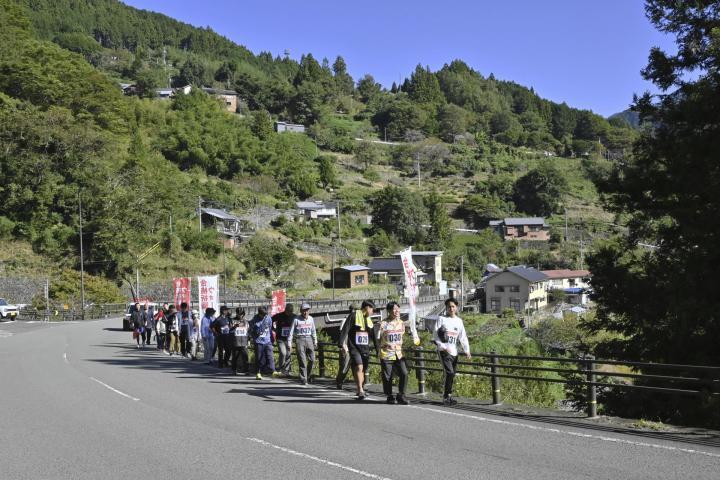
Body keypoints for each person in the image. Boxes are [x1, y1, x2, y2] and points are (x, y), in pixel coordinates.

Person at [433, 298, 471, 406]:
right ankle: (445, 397)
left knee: (452, 374)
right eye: (449, 306)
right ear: (446, 308)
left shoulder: (459, 321)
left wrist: (467, 350)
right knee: (449, 373)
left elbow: (463, 337)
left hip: (454, 352)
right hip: (444, 351)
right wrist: (443, 347)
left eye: (453, 306)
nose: (451, 308)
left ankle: (448, 396)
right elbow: (435, 337)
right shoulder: (441, 319)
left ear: (456, 307)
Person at [377, 301, 415, 405]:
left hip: (399, 353)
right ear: (389, 311)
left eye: (398, 309)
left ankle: (401, 395)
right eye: (394, 309)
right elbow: (377, 339)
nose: (396, 311)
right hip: (386, 353)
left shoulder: (401, 323)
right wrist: (380, 350)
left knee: (404, 373)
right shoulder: (383, 324)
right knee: (387, 376)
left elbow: (402, 336)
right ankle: (389, 396)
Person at [339, 300, 378, 400]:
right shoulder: (353, 316)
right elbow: (345, 329)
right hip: (354, 347)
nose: (373, 312)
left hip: (365, 348)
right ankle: (360, 390)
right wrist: (341, 344)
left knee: (362, 369)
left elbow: (374, 336)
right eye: (372, 309)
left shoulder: (369, 320)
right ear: (367, 307)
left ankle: (359, 388)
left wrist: (378, 350)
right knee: (359, 367)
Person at [288, 303, 317, 385]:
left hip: (309, 339)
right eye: (304, 310)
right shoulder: (296, 319)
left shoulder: (311, 319)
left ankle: (308, 376)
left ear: (309, 311)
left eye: (307, 310)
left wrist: (315, 341)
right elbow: (291, 332)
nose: (305, 312)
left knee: (312, 359)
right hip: (299, 340)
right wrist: (289, 344)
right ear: (301, 311)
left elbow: (313, 331)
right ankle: (303, 379)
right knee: (302, 360)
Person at [250, 306, 275, 379]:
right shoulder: (255, 320)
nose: (264, 316)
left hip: (267, 340)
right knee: (259, 358)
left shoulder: (268, 318)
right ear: (259, 313)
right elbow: (253, 331)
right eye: (263, 315)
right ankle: (258, 372)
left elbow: (270, 329)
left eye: (265, 314)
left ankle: (273, 371)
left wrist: (272, 339)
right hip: (259, 341)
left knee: (270, 355)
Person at [272, 303, 295, 376]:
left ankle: (287, 371)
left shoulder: (294, 317)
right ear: (285, 310)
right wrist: (273, 329)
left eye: (291, 311)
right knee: (283, 353)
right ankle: (281, 369)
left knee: (288, 354)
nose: (289, 313)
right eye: (288, 311)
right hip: (280, 338)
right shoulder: (279, 316)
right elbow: (270, 320)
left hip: (289, 339)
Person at [230, 308, 250, 375]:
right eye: (239, 313)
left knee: (245, 356)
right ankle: (234, 370)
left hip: (244, 342)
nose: (240, 315)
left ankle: (246, 370)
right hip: (236, 342)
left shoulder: (246, 322)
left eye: (241, 314)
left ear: (243, 314)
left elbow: (248, 332)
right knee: (235, 357)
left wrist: (248, 340)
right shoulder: (232, 320)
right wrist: (235, 326)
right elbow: (229, 330)